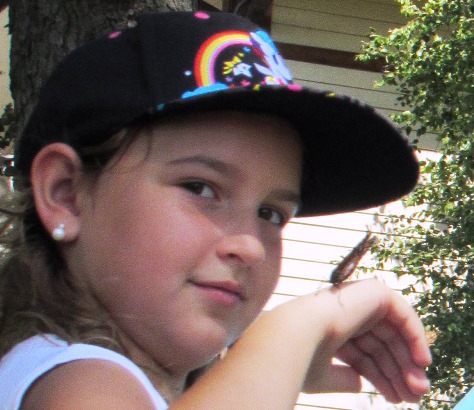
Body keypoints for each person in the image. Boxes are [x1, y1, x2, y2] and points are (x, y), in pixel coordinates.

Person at [0, 11, 431, 409]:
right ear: (66, 194)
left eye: (272, 214)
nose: (251, 247)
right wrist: (296, 329)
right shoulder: (77, 378)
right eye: (200, 187)